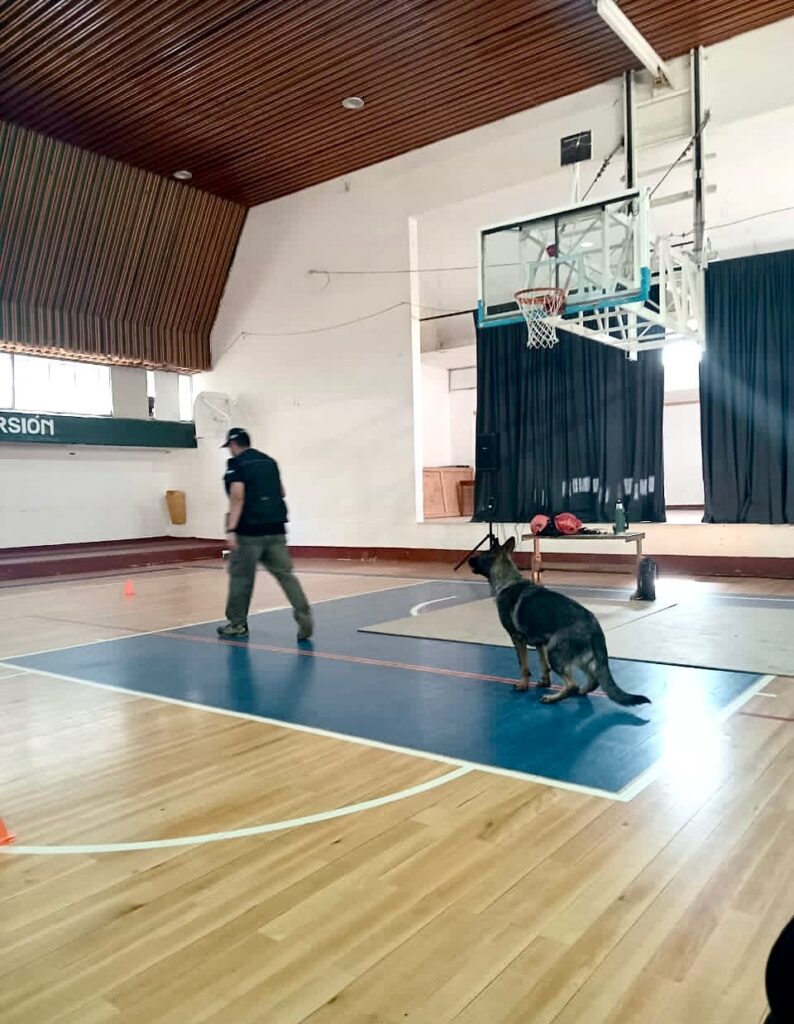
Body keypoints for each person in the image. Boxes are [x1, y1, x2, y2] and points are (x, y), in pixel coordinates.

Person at [216, 427, 313, 641]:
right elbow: (281, 492)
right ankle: (304, 613)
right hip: (276, 528)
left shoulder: (236, 464)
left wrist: (231, 529)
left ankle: (237, 624)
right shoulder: (270, 462)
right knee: (286, 575)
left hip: (249, 532)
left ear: (233, 445)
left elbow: (237, 497)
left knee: (241, 578)